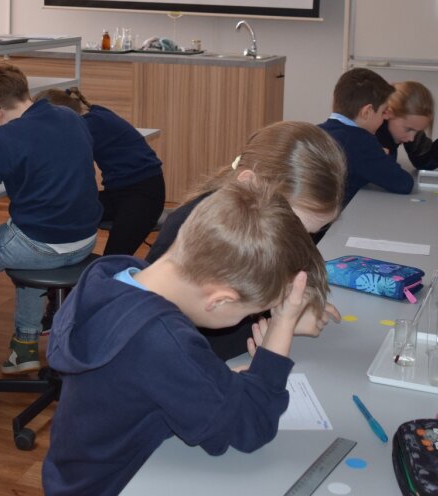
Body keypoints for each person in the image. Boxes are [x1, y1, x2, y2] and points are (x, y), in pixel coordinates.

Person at [43, 181, 331, 496]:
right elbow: (250, 425)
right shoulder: (161, 341)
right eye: (249, 313)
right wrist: (283, 325)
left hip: (72, 477)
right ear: (219, 300)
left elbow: (156, 380)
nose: (247, 319)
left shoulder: (111, 276)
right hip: (117, 486)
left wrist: (212, 378)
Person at [0, 60, 101, 386]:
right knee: (28, 246)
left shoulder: (9, 136)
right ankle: (23, 347)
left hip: (42, 243)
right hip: (85, 237)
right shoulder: (69, 117)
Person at [146, 120, 346, 359]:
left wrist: (294, 304)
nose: (301, 239)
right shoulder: (193, 232)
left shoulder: (258, 228)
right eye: (297, 227)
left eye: (312, 233)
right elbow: (175, 344)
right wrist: (280, 327)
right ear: (249, 183)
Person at [36, 87, 165, 256]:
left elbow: (65, 165)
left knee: (113, 258)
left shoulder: (87, 126)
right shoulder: (95, 116)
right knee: (65, 211)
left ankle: (65, 258)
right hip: (123, 192)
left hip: (143, 196)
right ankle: (65, 257)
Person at [318, 67, 413, 207]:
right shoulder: (362, 142)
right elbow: (404, 183)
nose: (386, 117)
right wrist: (382, 156)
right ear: (367, 112)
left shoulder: (316, 132)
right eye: (383, 112)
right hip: (339, 217)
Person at [377, 80, 438, 170]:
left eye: (417, 131)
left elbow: (425, 161)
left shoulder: (411, 126)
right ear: (387, 113)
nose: (412, 138)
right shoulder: (371, 133)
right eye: (408, 129)